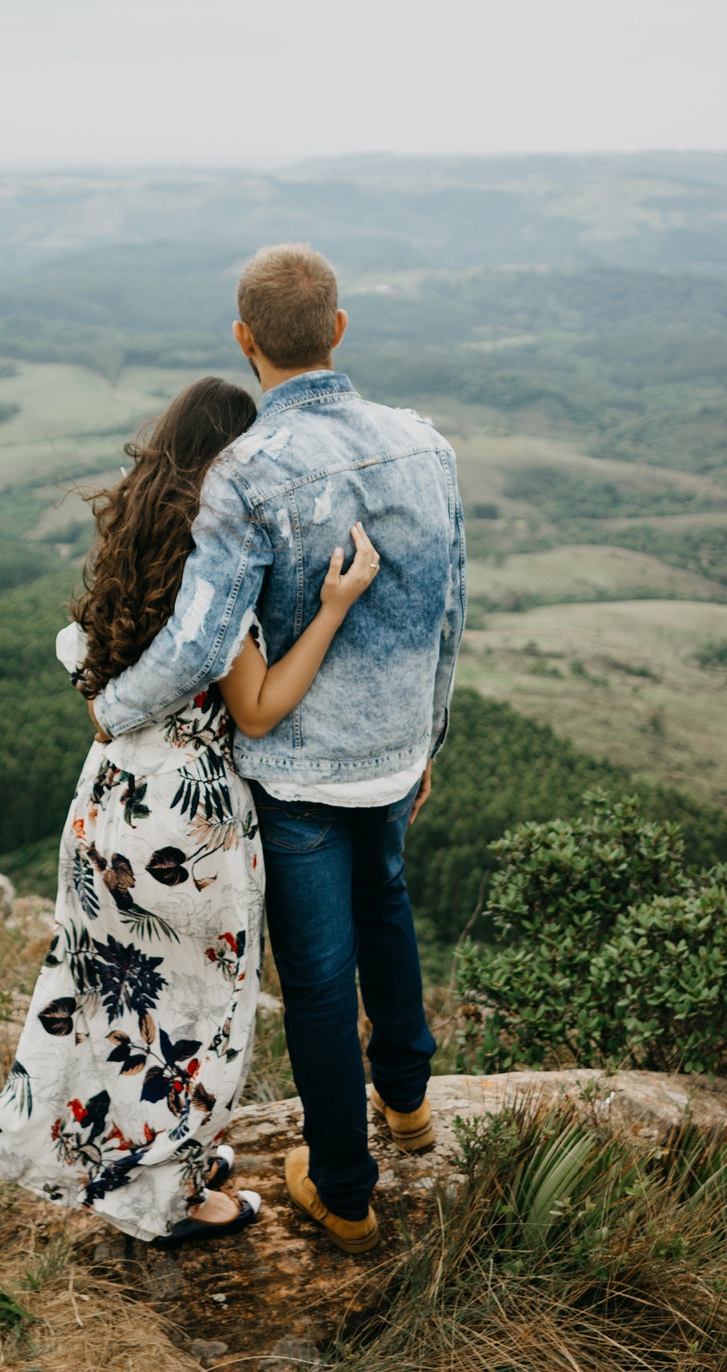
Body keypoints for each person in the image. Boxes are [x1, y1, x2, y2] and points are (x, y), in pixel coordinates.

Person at [90, 245, 466, 1255]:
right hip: (394, 750)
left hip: (299, 772)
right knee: (388, 907)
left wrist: (114, 704)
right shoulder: (427, 447)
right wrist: (429, 734)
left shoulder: (246, 472)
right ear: (340, 329)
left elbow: (203, 643)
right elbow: (448, 613)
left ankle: (343, 1188)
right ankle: (411, 1106)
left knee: (317, 973)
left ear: (245, 340)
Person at [0, 375, 382, 1247]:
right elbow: (259, 709)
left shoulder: (130, 555)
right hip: (188, 830)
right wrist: (332, 610)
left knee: (113, 1000)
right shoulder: (215, 586)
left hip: (105, 806)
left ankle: (139, 1160)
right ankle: (172, 1199)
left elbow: (90, 679)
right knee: (196, 1014)